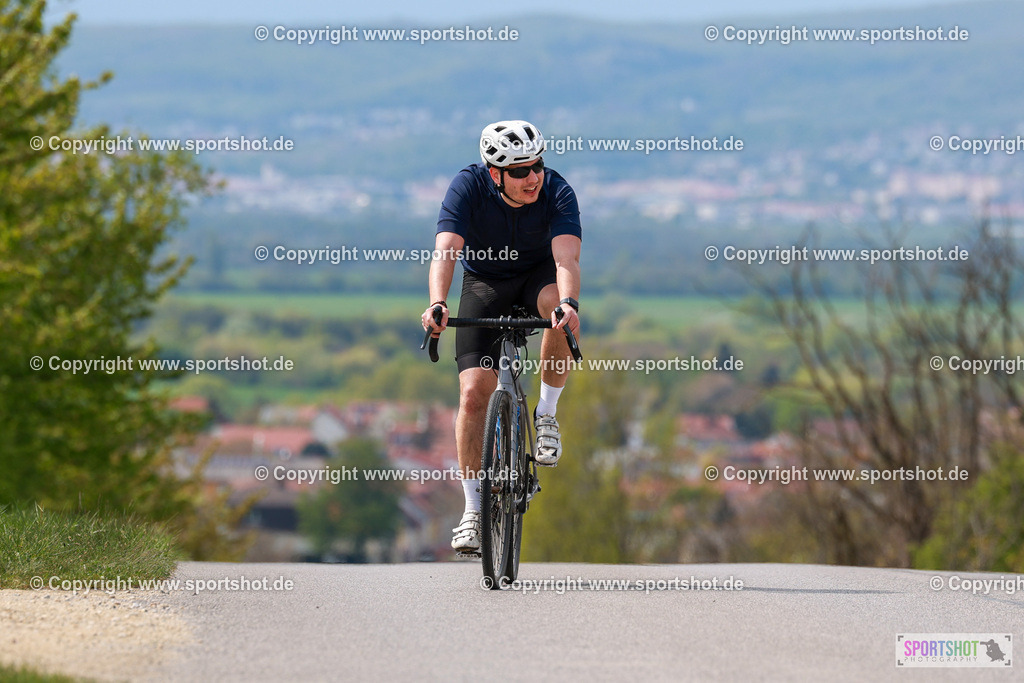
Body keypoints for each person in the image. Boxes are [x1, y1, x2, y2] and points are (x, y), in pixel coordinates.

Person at [420, 120, 582, 553]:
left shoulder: (557, 190)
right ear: (495, 174)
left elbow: (566, 257)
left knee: (558, 312)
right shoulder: (468, 186)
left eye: (537, 166)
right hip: (485, 284)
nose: (533, 178)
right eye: (520, 171)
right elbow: (447, 248)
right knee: (473, 394)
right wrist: (438, 303)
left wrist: (569, 304)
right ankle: (473, 509)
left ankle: (546, 414)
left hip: (538, 280)